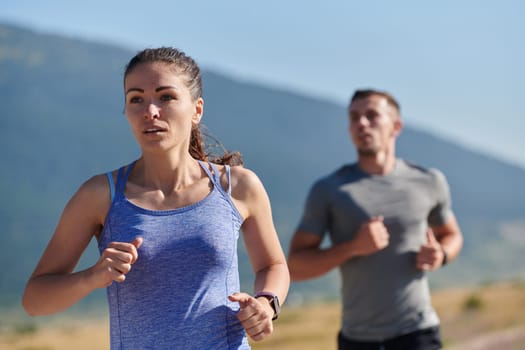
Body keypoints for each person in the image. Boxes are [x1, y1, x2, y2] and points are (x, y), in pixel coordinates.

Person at [22, 47, 289, 349]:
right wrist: (93, 277)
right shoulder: (100, 195)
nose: (150, 111)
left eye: (166, 97)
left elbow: (272, 266)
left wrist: (267, 304)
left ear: (196, 110)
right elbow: (35, 300)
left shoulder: (237, 186)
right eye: (136, 99)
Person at [287, 89, 463, 350]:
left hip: (417, 334)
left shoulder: (428, 181)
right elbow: (295, 267)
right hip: (357, 340)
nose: (361, 123)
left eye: (372, 116)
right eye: (354, 117)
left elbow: (452, 235)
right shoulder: (330, 190)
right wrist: (353, 247)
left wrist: (442, 255)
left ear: (396, 126)